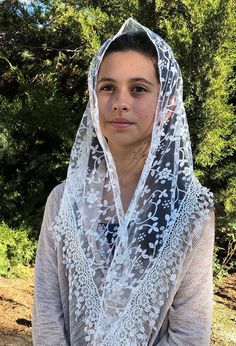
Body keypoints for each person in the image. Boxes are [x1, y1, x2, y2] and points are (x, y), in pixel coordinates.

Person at [32, 18, 215, 345]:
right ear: (94, 97)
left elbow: (189, 331)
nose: (120, 102)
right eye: (108, 87)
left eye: (139, 88)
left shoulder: (192, 213)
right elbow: (47, 310)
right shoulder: (64, 201)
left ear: (167, 103)